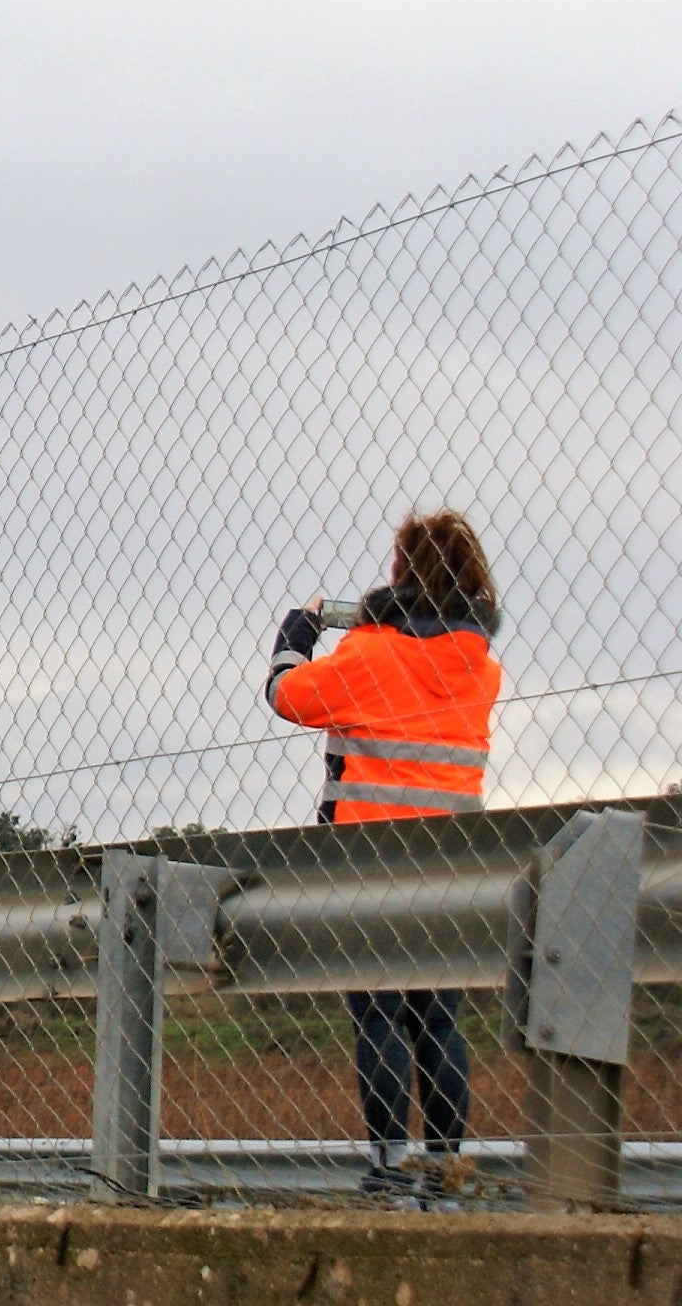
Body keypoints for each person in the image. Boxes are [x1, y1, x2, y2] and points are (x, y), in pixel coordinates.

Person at [266, 510, 502, 1200]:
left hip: (369, 864)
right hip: (455, 867)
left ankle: (391, 1164)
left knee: (379, 1015)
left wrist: (297, 634)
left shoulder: (366, 656)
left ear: (399, 575)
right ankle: (447, 1166)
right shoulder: (479, 670)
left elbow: (287, 696)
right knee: (439, 1017)